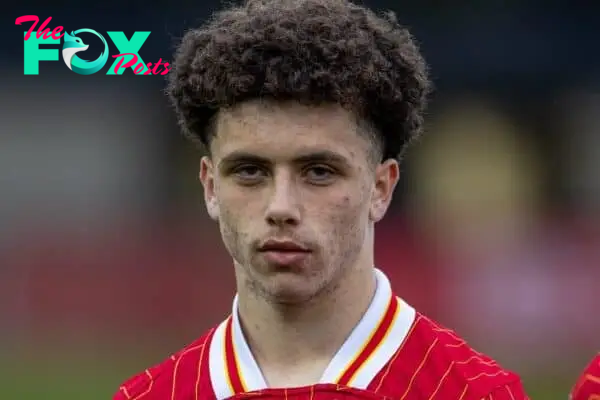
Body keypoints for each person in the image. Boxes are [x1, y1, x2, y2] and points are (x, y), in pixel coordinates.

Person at [114, 0, 530, 398]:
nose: (281, 207)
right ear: (210, 187)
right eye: (250, 171)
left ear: (381, 188)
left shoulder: (475, 394)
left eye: (318, 172)